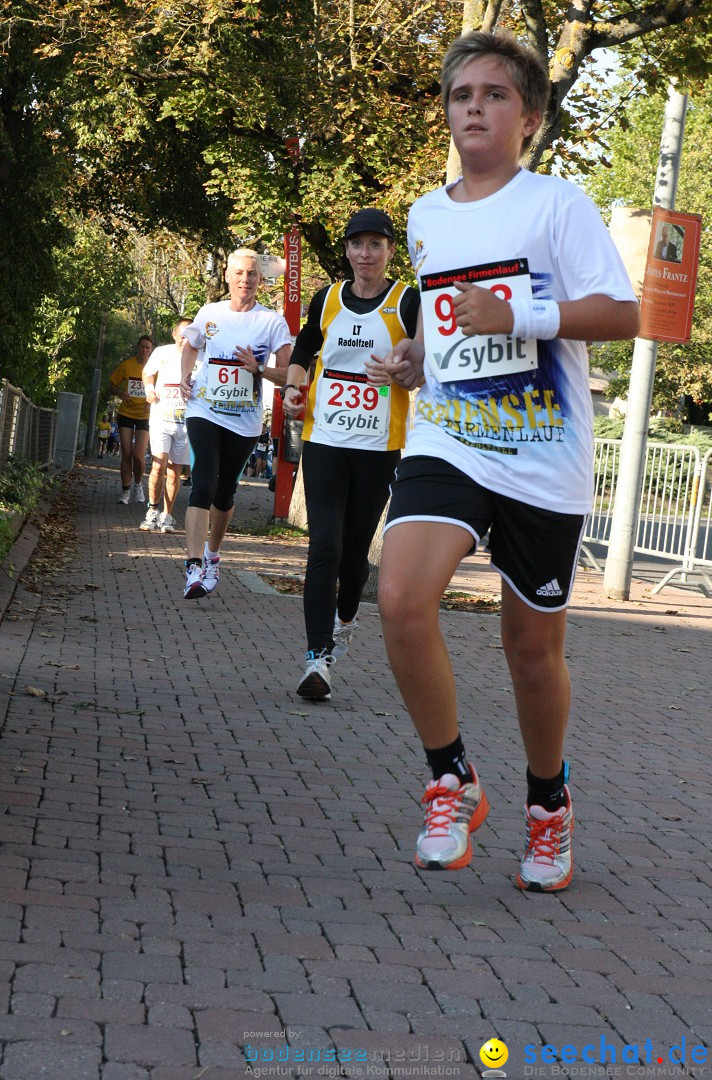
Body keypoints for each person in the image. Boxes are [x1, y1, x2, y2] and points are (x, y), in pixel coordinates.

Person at [374, 31, 639, 891]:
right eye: (461, 95)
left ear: (527, 117)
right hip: (449, 437)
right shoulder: (424, 215)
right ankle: (449, 775)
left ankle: (548, 803)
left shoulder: (559, 206)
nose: (474, 108)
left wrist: (522, 319)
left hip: (540, 450)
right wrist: (417, 357)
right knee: (402, 597)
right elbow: (444, 325)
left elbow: (622, 313)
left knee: (531, 651)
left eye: (493, 95)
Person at [281, 208, 420, 701]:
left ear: (388, 251)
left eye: (375, 245)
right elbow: (302, 353)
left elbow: (427, 370)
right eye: (357, 245)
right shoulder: (328, 299)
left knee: (356, 552)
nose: (366, 254)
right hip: (325, 442)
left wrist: (400, 374)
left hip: (380, 446)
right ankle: (316, 657)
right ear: (346, 251)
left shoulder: (408, 303)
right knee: (324, 547)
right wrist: (295, 392)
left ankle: (345, 617)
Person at [179, 249, 293, 599]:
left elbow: (290, 371)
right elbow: (191, 345)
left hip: (243, 419)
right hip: (205, 409)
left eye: (252, 274)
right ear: (228, 276)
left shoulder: (271, 321)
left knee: (225, 491)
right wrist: (185, 375)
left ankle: (213, 554)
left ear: (261, 279)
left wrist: (259, 369)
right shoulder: (209, 313)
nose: (245, 279)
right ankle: (194, 567)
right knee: (203, 485)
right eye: (239, 273)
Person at [139, 318, 193, 532]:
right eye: (182, 336)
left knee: (175, 470)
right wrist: (149, 390)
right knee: (158, 464)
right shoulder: (162, 352)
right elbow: (147, 372)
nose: (185, 341)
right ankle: (152, 511)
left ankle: (167, 515)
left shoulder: (201, 356)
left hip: (185, 423)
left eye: (189, 337)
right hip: (161, 417)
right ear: (174, 335)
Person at [108, 336, 154, 503]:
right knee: (126, 453)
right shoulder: (127, 365)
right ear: (137, 347)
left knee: (139, 455)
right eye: (142, 347)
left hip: (145, 415)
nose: (144, 350)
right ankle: (126, 490)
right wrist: (120, 393)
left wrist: (153, 401)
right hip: (126, 413)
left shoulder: (155, 368)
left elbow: (162, 388)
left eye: (147, 348)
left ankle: (139, 485)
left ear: (151, 350)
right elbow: (112, 384)